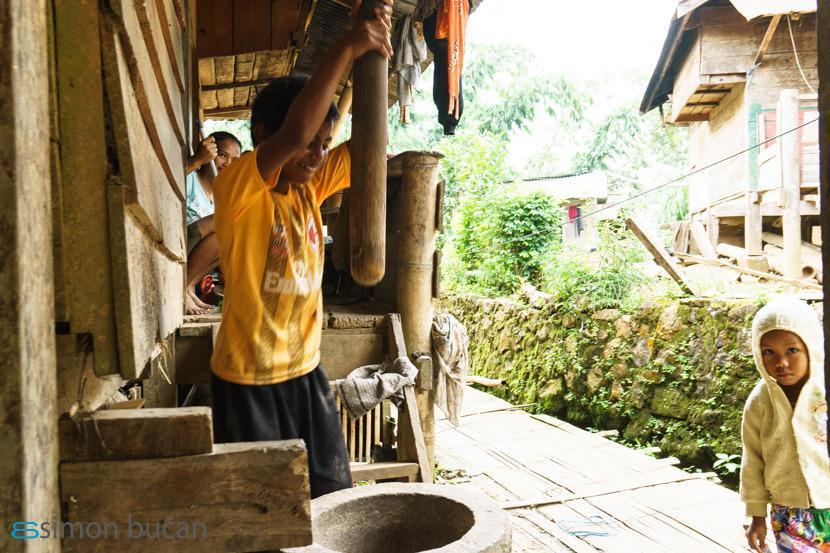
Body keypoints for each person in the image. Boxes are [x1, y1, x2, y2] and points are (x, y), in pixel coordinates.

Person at [208, 0, 393, 498]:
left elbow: (371, 145)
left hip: (306, 371)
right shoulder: (240, 189)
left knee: (333, 495)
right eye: (311, 142)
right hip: (248, 382)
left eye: (324, 143)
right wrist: (348, 45)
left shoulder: (310, 186)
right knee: (267, 510)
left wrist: (376, 53)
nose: (317, 154)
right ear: (264, 137)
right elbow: (296, 132)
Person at [741, 297, 830, 553]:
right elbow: (753, 460)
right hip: (790, 515)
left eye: (792, 350)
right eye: (769, 352)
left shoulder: (825, 390)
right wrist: (757, 515)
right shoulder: (759, 402)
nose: (781, 362)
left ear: (811, 346)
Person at [185, 131, 242, 315]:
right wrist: (196, 160)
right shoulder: (190, 178)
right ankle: (183, 288)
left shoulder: (218, 200)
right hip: (180, 242)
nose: (228, 164)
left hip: (193, 254)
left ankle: (187, 286)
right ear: (209, 153)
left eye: (235, 161)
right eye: (223, 155)